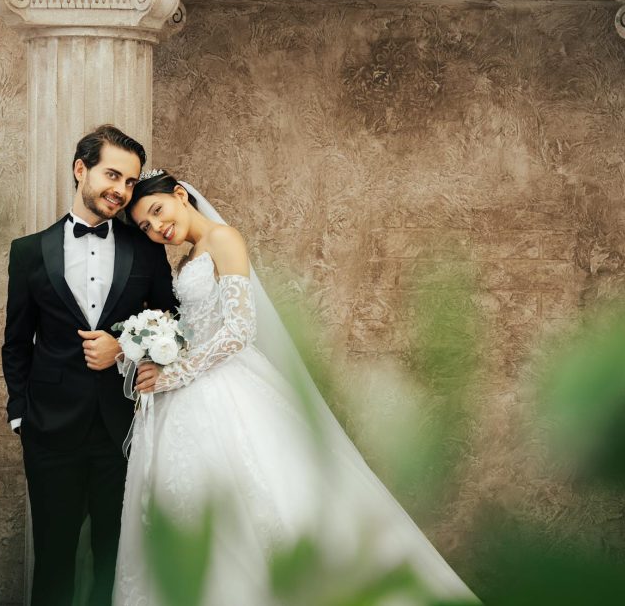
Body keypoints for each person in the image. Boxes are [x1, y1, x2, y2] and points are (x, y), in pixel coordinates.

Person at [114, 170, 478, 605]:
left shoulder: (224, 238)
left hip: (227, 385)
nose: (157, 228)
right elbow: (199, 326)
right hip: (193, 387)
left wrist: (176, 373)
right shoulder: (187, 256)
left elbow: (240, 330)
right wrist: (158, 350)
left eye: (157, 212)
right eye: (146, 227)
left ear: (179, 194)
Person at [1, 125, 178, 606]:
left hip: (122, 430)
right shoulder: (28, 251)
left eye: (129, 182)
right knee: (54, 559)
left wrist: (122, 345)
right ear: (81, 170)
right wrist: (21, 415)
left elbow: (172, 317)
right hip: (49, 430)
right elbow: (16, 341)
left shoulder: (147, 247)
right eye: (112, 175)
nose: (121, 190)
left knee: (114, 558)